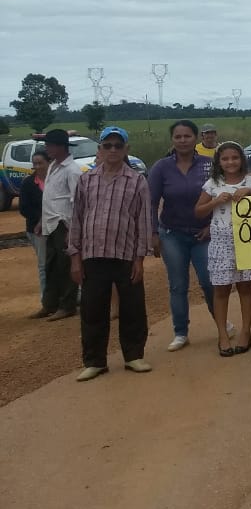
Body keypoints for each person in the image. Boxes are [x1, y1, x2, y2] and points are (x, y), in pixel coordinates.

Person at [68, 127, 154, 381]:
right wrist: (75, 257)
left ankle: (134, 356)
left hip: (126, 255)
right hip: (92, 255)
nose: (113, 150)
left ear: (126, 149)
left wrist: (140, 258)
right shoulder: (86, 180)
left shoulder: (137, 181)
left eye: (118, 145)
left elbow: (143, 222)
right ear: (100, 150)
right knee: (92, 309)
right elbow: (77, 220)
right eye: (108, 145)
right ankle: (95, 361)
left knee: (132, 307)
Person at [149, 119, 217, 350]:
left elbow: (221, 197)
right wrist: (153, 234)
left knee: (210, 282)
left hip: (204, 234)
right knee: (178, 285)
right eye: (178, 137)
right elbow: (151, 202)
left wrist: (212, 226)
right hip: (172, 234)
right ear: (172, 140)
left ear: (196, 138)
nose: (182, 140)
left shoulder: (210, 164)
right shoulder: (161, 167)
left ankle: (220, 323)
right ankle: (180, 332)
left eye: (187, 136)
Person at [195, 142, 251, 356]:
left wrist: (250, 192)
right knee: (221, 289)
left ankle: (246, 331)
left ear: (241, 159)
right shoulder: (212, 184)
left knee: (245, 286)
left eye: (235, 158)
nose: (230, 162)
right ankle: (222, 334)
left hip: (246, 240)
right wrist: (215, 202)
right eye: (225, 159)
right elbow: (198, 212)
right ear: (218, 162)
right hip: (221, 242)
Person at [31, 128, 80, 320]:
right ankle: (50, 304)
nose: (47, 148)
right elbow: (49, 198)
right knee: (50, 265)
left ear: (60, 147)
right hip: (50, 223)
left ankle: (67, 306)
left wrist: (73, 229)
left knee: (66, 265)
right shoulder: (53, 166)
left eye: (50, 145)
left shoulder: (72, 170)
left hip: (64, 224)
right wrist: (42, 220)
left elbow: (77, 202)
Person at [19, 150, 50, 308]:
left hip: (55, 228)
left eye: (40, 163)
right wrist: (41, 219)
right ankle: (46, 299)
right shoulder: (28, 183)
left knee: (62, 263)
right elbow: (24, 208)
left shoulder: (54, 180)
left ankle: (71, 295)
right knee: (44, 265)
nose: (37, 166)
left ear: (48, 163)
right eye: (35, 163)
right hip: (37, 230)